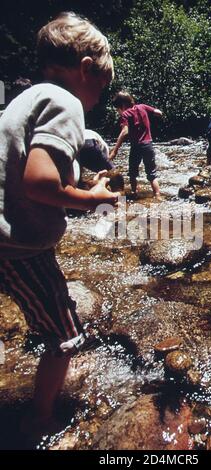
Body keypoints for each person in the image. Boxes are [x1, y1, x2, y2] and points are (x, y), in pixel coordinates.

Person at [0, 12, 119, 435]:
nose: (100, 98)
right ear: (86, 69)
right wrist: (92, 199)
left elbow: (30, 176)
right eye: (102, 86)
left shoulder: (28, 97)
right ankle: (41, 418)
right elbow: (38, 182)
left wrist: (83, 186)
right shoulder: (65, 102)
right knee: (66, 335)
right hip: (18, 247)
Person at [110, 91, 162, 199]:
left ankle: (134, 193)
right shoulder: (142, 107)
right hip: (148, 145)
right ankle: (157, 195)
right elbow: (159, 112)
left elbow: (125, 131)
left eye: (118, 109)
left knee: (132, 173)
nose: (118, 112)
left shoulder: (125, 114)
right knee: (152, 173)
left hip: (136, 147)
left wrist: (115, 150)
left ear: (123, 105)